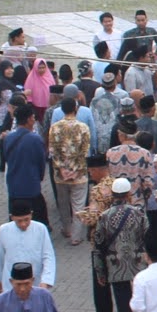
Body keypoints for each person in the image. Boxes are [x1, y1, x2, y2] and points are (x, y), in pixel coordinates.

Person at [92, 178, 149, 312]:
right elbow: (147, 236)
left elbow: (98, 246)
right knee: (141, 301)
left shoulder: (105, 216)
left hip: (116, 266)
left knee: (123, 305)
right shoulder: (139, 213)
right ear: (128, 194)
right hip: (138, 264)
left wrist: (100, 272)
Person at [47, 97, 92, 244]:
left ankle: (66, 229)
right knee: (78, 204)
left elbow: (53, 151)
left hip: (60, 174)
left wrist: (62, 168)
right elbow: (85, 152)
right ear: (75, 109)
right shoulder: (83, 127)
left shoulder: (55, 128)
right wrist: (76, 169)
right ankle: (76, 236)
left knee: (63, 203)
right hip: (79, 174)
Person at [0, 198, 56, 293]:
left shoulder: (40, 229)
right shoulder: (4, 230)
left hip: (35, 284)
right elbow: (0, 257)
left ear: (31, 214)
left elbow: (48, 256)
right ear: (12, 217)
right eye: (19, 221)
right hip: (11, 285)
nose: (23, 224)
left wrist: (45, 281)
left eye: (26, 219)